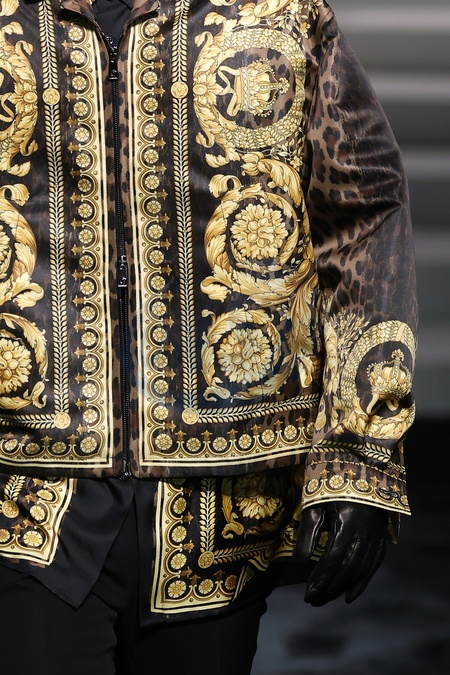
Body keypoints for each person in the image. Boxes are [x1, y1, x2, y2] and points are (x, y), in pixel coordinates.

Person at [0, 0, 417, 672]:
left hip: (223, 501)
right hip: (23, 486)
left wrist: (359, 450)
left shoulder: (280, 12)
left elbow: (362, 213)